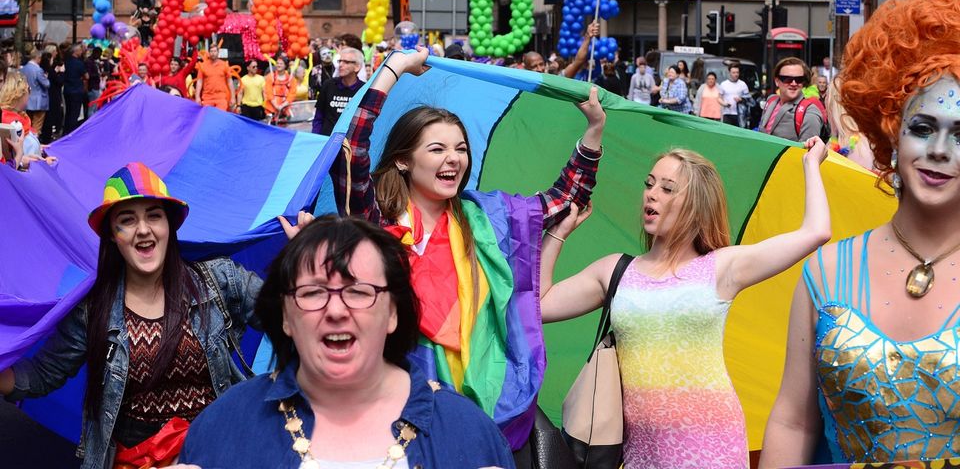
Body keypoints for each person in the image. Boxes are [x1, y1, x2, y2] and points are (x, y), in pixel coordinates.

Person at [330, 47, 606, 450]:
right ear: (404, 161)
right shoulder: (376, 228)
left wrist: (594, 130)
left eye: (460, 148)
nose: (454, 159)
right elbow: (351, 152)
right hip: (397, 410)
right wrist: (393, 70)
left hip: (485, 411)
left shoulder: (489, 219)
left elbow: (564, 199)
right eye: (437, 149)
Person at [540, 138, 829, 469]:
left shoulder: (721, 267)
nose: (651, 194)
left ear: (695, 203)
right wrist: (558, 234)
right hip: (642, 456)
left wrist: (811, 164)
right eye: (649, 185)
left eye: (667, 189)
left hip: (713, 451)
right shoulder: (617, 270)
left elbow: (816, 231)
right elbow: (541, 304)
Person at [760, 0, 960, 466]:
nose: (939, 149)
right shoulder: (826, 270)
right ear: (891, 126)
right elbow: (794, 419)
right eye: (923, 127)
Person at [178, 214, 516, 469]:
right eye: (312, 293)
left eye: (358, 292)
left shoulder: (467, 434)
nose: (336, 310)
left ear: (393, 313)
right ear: (285, 317)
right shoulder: (226, 425)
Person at [0, 162, 274, 469]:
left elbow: (291, 317)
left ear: (169, 225)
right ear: (113, 235)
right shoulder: (92, 310)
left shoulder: (220, 280)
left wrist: (306, 252)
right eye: (127, 220)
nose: (143, 229)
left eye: (154, 216)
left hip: (218, 453)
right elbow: (41, 374)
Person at [759, 58, 825, 141]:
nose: (793, 83)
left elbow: (807, 152)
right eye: (787, 79)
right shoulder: (771, 100)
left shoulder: (809, 111)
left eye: (799, 79)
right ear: (777, 81)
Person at [312, 46, 364, 136]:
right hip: (327, 141)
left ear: (357, 67)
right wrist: (316, 139)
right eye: (340, 61)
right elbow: (318, 117)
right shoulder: (328, 85)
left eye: (346, 62)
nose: (340, 65)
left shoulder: (364, 90)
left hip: (350, 144)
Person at [194, 41, 234, 111]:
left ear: (218, 52)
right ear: (209, 53)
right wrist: (197, 97)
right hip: (207, 97)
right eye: (211, 51)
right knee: (208, 118)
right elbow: (199, 82)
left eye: (215, 51)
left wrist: (233, 97)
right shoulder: (203, 65)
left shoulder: (224, 65)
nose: (213, 53)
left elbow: (230, 81)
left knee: (220, 118)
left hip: (221, 97)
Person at [21, 47, 49, 132]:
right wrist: (46, 78)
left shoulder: (23, 69)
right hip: (38, 101)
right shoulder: (38, 70)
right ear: (38, 58)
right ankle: (35, 142)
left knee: (27, 124)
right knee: (37, 125)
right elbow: (47, 84)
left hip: (27, 99)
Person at [63, 43, 88, 134]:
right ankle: (71, 132)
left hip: (67, 90)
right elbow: (87, 76)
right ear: (76, 51)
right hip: (76, 90)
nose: (81, 52)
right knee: (74, 113)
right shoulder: (79, 63)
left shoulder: (67, 62)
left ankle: (66, 131)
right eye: (80, 50)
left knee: (68, 112)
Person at [265, 56, 296, 123]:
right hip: (271, 108)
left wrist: (282, 105)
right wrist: (276, 105)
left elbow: (292, 94)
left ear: (285, 65)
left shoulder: (291, 79)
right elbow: (269, 92)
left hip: (285, 108)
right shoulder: (270, 77)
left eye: (281, 64)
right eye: (277, 63)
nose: (278, 65)